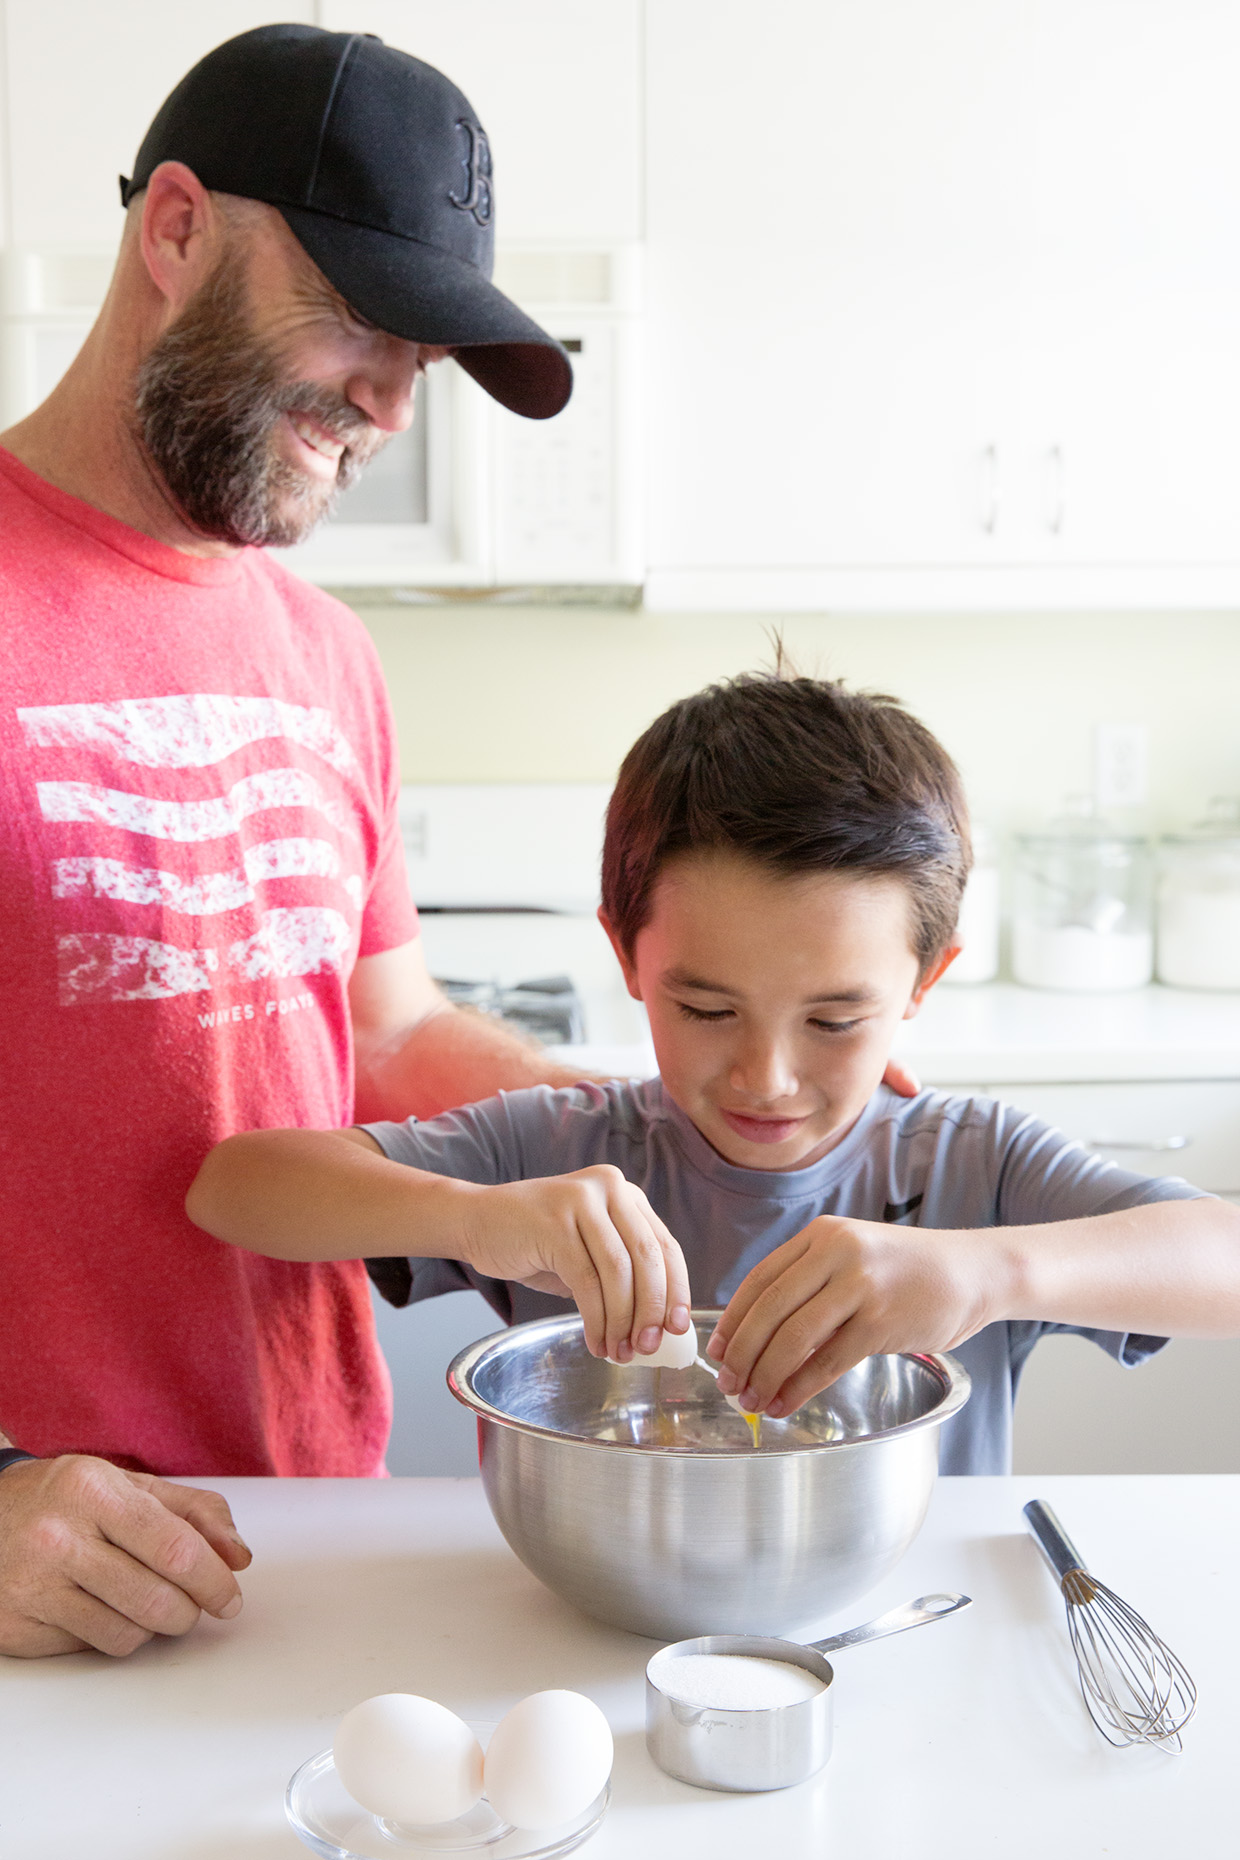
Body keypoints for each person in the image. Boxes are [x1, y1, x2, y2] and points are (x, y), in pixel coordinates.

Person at [0, 22, 642, 1662]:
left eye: (425, 362)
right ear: (176, 230)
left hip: (307, 1529)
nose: (389, 404)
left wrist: (667, 1136)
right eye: (365, 318)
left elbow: (385, 1032)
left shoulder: (324, 651)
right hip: (44, 1574)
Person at [190, 671, 1240, 1473]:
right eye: (704, 1009)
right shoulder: (563, 1154)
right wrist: (474, 1219)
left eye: (834, 1017)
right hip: (598, 1626)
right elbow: (234, 1186)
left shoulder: (975, 1169)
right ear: (625, 958)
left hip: (911, 1624)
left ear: (924, 982)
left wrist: (994, 1273)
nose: (766, 1076)